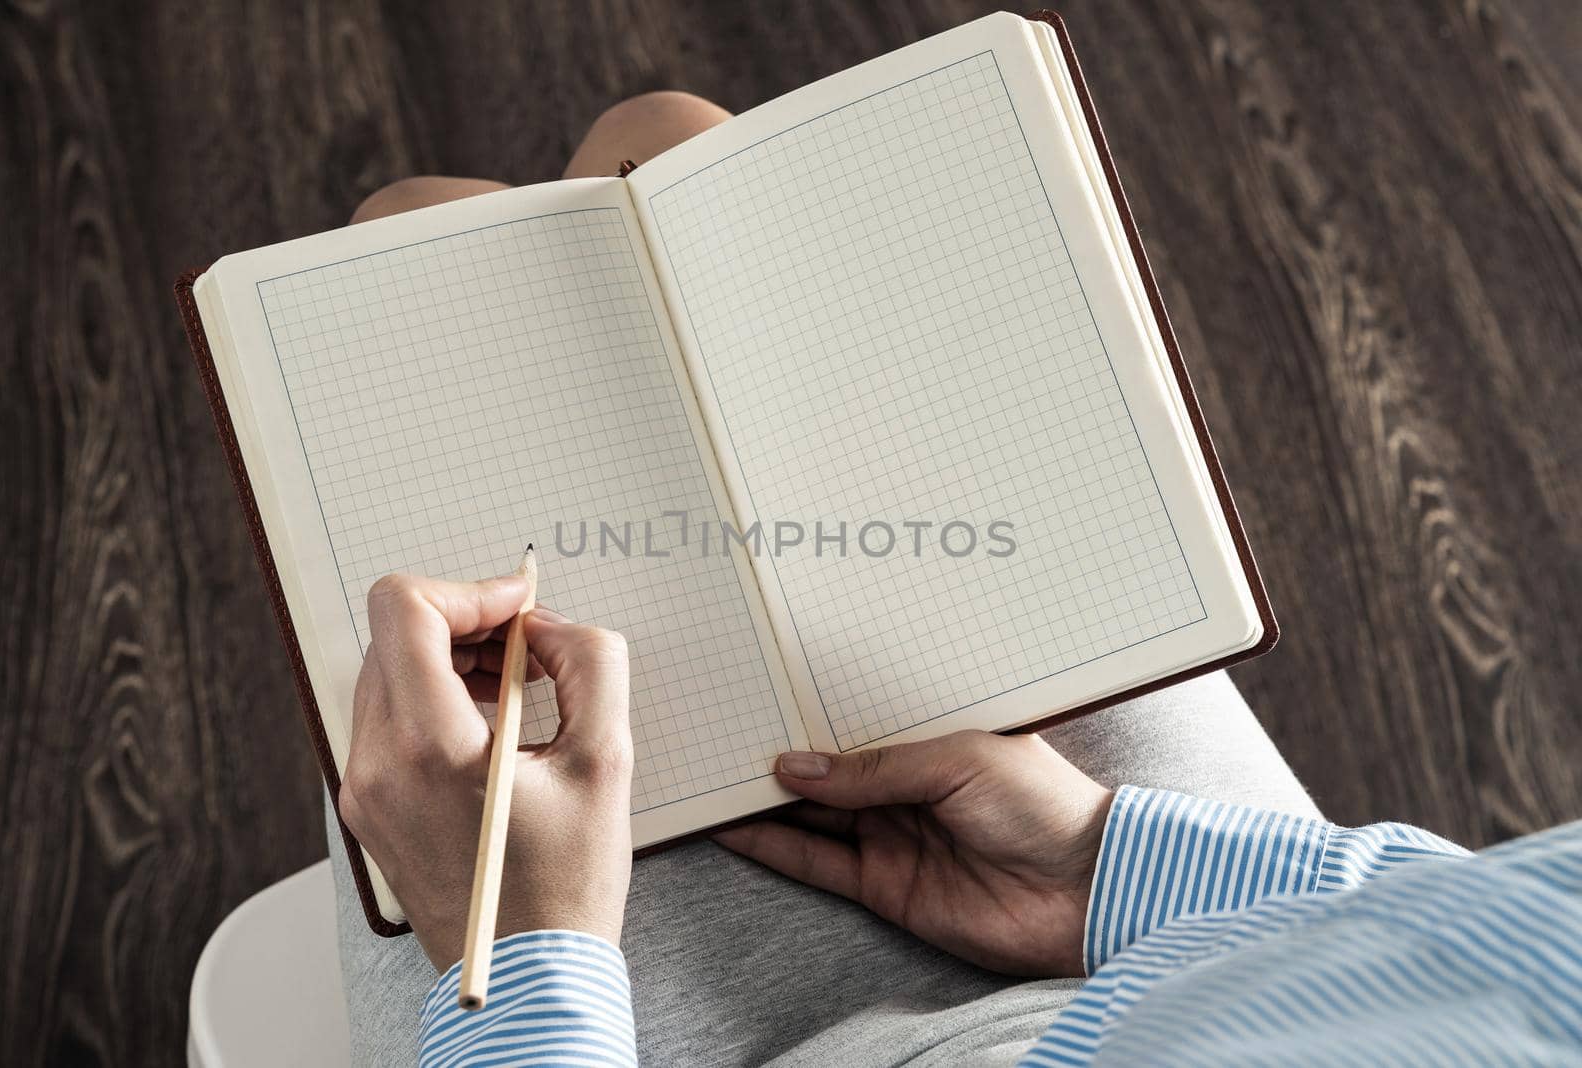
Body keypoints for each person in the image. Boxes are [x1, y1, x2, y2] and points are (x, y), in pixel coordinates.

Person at [332, 97, 1582, 1066]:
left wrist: (525, 961)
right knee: (668, 146)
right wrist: (1108, 866)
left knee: (416, 226)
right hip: (1220, 956)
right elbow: (1525, 935)